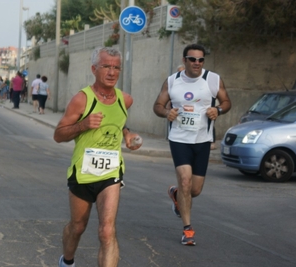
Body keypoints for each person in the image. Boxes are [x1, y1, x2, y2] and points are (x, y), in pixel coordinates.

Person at [54, 47, 142, 267]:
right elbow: (58, 134)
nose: (112, 72)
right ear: (94, 69)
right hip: (83, 173)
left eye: (116, 67)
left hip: (110, 173)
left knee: (106, 230)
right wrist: (83, 124)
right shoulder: (82, 100)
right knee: (77, 226)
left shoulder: (126, 100)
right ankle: (67, 261)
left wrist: (127, 134)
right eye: (106, 67)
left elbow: (119, 121)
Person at [153, 44, 231, 246]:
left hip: (202, 140)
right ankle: (188, 230)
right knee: (185, 181)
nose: (197, 63)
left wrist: (218, 111)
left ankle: (176, 194)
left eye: (200, 60)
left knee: (194, 190)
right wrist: (166, 113)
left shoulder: (213, 79)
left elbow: (226, 102)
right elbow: (158, 106)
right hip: (179, 139)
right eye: (192, 59)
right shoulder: (172, 81)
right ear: (185, 60)